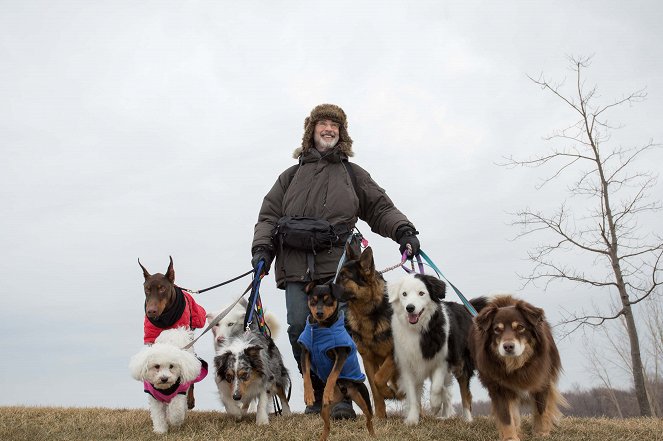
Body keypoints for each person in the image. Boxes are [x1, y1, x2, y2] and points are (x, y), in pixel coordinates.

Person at [251, 103, 420, 419]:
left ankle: (342, 397)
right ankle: (316, 395)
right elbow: (269, 217)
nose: (328, 129)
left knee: (339, 331)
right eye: (322, 123)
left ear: (341, 133)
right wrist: (262, 251)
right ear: (311, 130)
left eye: (335, 125)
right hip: (296, 266)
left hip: (339, 267)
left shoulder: (352, 175)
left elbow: (380, 208)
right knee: (300, 328)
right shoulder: (289, 178)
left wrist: (404, 231)